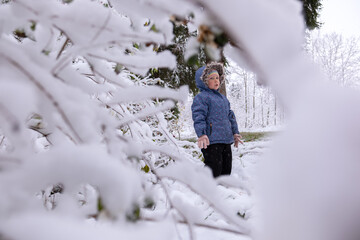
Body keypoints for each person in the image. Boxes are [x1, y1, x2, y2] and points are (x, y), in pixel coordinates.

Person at [191, 62, 243, 177]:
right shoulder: (202, 97)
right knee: (214, 169)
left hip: (225, 140)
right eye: (211, 78)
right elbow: (198, 116)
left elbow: (230, 116)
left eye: (217, 78)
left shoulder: (223, 99)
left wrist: (235, 133)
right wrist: (202, 134)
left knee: (226, 169)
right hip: (211, 141)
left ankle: (224, 191)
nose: (216, 81)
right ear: (204, 80)